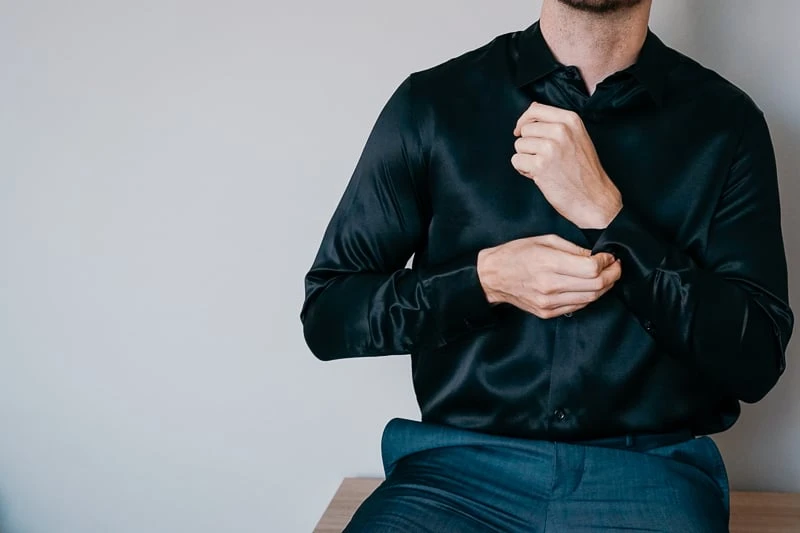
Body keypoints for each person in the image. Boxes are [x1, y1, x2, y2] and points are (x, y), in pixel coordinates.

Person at [300, 0, 794, 530]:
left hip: (650, 476)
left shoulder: (727, 124)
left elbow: (756, 360)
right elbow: (329, 313)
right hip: (452, 478)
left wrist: (610, 217)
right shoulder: (433, 103)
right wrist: (483, 281)